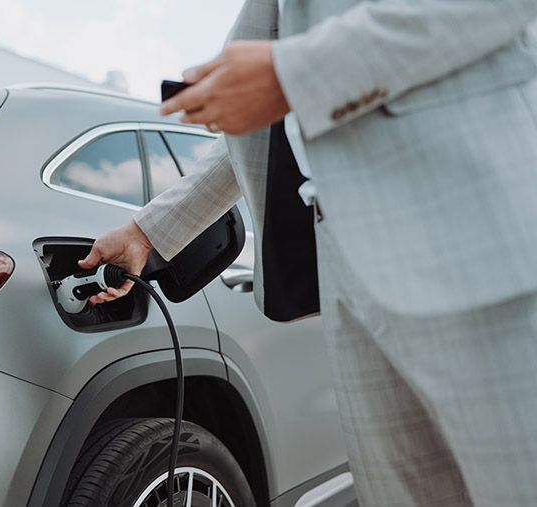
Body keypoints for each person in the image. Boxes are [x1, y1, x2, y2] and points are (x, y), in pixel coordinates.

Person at [79, 1, 537, 505]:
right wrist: (146, 232)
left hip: (476, 232)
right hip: (349, 279)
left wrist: (292, 73)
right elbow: (254, 129)